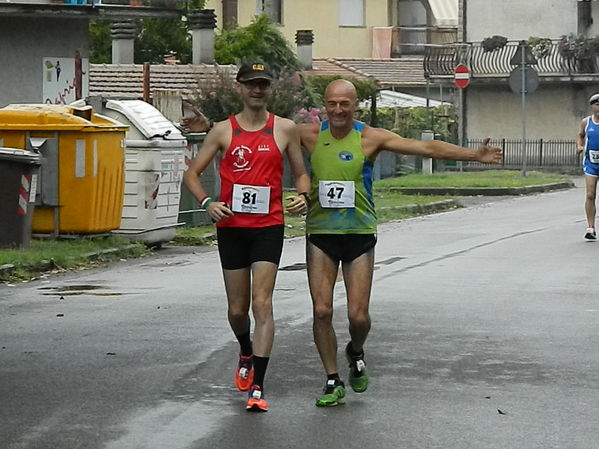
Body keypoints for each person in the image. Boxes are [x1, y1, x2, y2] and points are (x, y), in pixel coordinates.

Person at [297, 79, 502, 407]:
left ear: (355, 106)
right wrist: (208, 128)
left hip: (360, 234)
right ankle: (332, 379)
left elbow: (426, 148)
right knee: (321, 311)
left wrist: (473, 155)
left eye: (344, 104)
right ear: (325, 104)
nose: (337, 110)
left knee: (358, 316)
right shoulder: (308, 135)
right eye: (332, 104)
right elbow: (261, 135)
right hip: (321, 234)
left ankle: (356, 350)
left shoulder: (369, 138)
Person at [182, 62, 311, 412]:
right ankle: (244, 348)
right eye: (251, 84)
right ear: (240, 88)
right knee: (238, 310)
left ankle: (258, 386)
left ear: (270, 89)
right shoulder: (223, 131)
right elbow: (192, 174)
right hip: (232, 229)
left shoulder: (284, 129)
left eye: (263, 84)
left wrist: (304, 196)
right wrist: (208, 202)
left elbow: (302, 175)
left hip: (269, 226)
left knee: (262, 304)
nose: (257, 90)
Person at [576, 93, 599, 241]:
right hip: (591, 163)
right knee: (590, 195)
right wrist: (579, 145)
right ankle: (590, 227)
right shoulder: (586, 122)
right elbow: (580, 135)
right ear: (592, 106)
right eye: (596, 104)